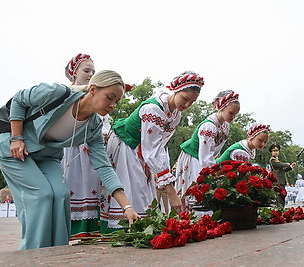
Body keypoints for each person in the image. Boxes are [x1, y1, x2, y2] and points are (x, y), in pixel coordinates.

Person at [0, 70, 139, 250]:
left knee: (62, 195)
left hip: (46, 157)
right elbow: (19, 99)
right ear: (92, 89)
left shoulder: (93, 128)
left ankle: (57, 253)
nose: (112, 105)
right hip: (14, 149)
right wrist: (16, 137)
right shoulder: (57, 93)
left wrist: (127, 207)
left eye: (116, 101)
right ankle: (32, 254)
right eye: (109, 97)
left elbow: (103, 166)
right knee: (42, 194)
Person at [102, 71, 205, 230]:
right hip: (126, 145)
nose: (187, 105)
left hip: (141, 151)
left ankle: (140, 229)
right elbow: (152, 151)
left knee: (144, 190)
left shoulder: (175, 115)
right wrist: (171, 191)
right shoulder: (153, 109)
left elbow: (159, 147)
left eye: (192, 102)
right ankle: (123, 229)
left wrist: (158, 172)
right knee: (132, 189)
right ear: (176, 90)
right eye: (185, 99)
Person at [63, 53, 109, 238]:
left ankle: (92, 230)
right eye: (86, 70)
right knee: (74, 184)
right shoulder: (66, 94)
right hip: (72, 148)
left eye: (93, 71)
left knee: (92, 185)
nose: (90, 74)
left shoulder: (98, 97)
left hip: (93, 149)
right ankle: (73, 228)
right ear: (74, 73)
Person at [175, 90, 240, 203]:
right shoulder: (209, 126)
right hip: (194, 158)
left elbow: (214, 151)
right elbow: (205, 156)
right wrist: (213, 173)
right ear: (221, 107)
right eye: (231, 113)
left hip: (205, 159)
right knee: (196, 190)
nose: (233, 117)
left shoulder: (225, 126)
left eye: (235, 114)